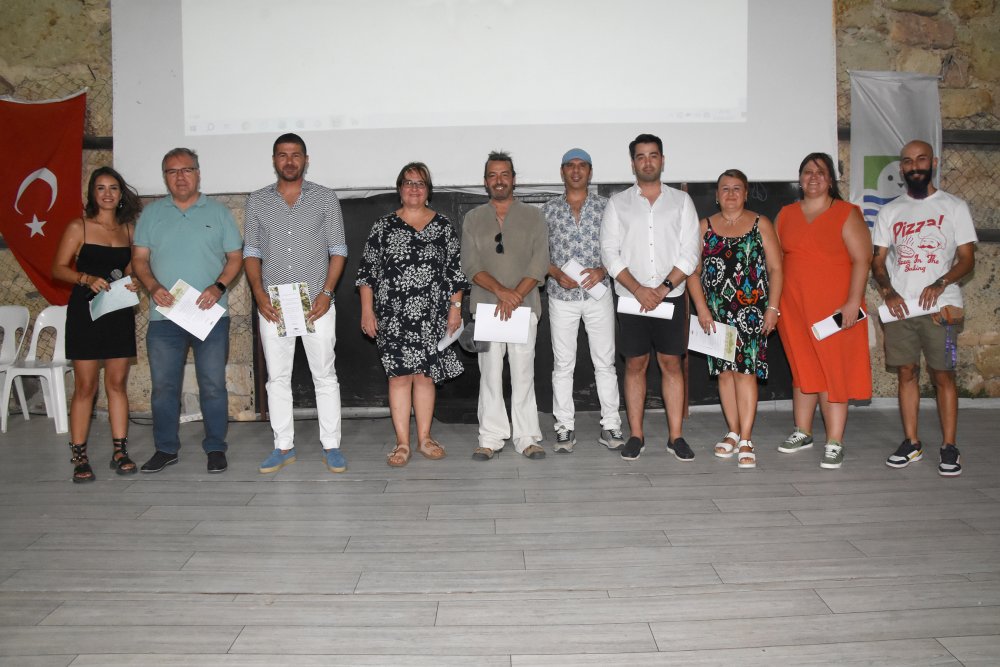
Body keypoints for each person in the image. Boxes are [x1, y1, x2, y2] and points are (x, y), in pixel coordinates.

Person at [132, 148, 243, 474]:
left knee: (213, 385)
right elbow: (139, 259)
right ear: (165, 177)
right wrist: (152, 286)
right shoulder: (151, 215)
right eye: (172, 171)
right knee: (164, 387)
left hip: (210, 315)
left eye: (187, 170)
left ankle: (216, 448)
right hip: (164, 316)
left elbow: (235, 257)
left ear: (198, 173)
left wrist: (218, 287)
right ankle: (165, 449)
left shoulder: (219, 213)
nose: (180, 177)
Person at [244, 133, 349, 475]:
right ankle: (283, 446)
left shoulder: (325, 198)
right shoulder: (257, 201)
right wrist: (258, 294)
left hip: (316, 303)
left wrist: (327, 293)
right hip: (273, 305)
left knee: (325, 376)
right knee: (277, 378)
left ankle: (331, 446)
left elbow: (338, 250)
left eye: (295, 155)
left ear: (306, 159)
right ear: (274, 160)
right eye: (282, 155)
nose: (289, 161)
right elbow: (251, 252)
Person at [872, 140, 977, 477]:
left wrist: (941, 283)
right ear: (901, 168)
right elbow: (878, 261)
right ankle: (912, 442)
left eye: (920, 159)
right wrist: (888, 291)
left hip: (940, 309)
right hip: (902, 309)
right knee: (906, 372)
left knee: (943, 375)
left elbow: (967, 259)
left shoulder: (954, 206)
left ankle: (949, 446)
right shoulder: (890, 212)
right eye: (907, 161)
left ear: (933, 162)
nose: (914, 166)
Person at [357, 162, 468, 466]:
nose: (414, 188)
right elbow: (366, 273)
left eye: (420, 183)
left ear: (428, 190)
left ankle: (425, 439)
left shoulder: (443, 226)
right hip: (393, 317)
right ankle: (402, 444)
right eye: (408, 183)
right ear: (400, 189)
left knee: (425, 377)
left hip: (432, 317)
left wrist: (455, 310)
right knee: (399, 378)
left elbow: (455, 273)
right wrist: (367, 311)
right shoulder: (383, 226)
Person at [600, 133, 701, 462]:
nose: (647, 162)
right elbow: (609, 254)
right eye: (641, 156)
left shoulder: (681, 202)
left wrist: (663, 288)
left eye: (653, 155)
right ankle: (636, 435)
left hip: (670, 296)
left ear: (662, 160)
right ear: (633, 164)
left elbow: (691, 252)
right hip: (632, 298)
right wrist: (639, 289)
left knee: (672, 364)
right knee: (635, 364)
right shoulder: (618, 204)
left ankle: (676, 437)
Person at [775, 152, 872, 469]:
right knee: (802, 369)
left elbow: (862, 260)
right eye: (807, 172)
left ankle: (834, 441)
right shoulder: (786, 214)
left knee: (833, 372)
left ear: (831, 179)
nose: (813, 177)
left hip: (835, 310)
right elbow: (775, 262)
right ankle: (803, 431)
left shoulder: (846, 213)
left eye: (820, 172)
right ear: (799, 179)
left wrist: (853, 302)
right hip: (793, 307)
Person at [50, 167, 142, 483]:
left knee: (116, 383)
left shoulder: (129, 229)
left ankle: (120, 452)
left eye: (113, 188)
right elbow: (57, 269)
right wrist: (85, 278)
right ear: (92, 193)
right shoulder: (79, 227)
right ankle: (79, 456)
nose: (107, 194)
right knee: (86, 386)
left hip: (118, 311)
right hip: (85, 312)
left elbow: (132, 268)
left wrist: (134, 280)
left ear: (120, 194)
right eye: (100, 188)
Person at [686, 169, 783, 469]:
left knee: (745, 372)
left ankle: (746, 439)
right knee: (725, 374)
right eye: (725, 188)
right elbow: (692, 272)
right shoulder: (704, 227)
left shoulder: (760, 224)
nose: (730, 193)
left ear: (746, 193)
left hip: (752, 313)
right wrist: (701, 308)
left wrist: (773, 309)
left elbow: (776, 269)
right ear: (717, 195)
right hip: (716, 314)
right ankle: (733, 431)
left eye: (737, 188)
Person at [461, 151, 549, 461]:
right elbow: (470, 265)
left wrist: (515, 296)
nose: (499, 180)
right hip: (487, 308)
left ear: (513, 179)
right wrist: (501, 292)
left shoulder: (534, 216)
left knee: (524, 373)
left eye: (504, 174)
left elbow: (540, 262)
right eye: (493, 175)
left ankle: (527, 438)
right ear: (485, 182)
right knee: (490, 374)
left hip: (524, 307)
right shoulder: (473, 219)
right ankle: (490, 437)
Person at [543, 148, 623, 453]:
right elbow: (537, 254)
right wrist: (553, 273)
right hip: (561, 296)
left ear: (590, 172)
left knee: (605, 363)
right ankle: (564, 428)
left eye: (582, 166)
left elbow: (620, 247)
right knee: (563, 364)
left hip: (598, 294)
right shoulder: (548, 210)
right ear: (562, 171)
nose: (576, 171)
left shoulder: (607, 207)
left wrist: (603, 270)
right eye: (570, 166)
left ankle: (611, 425)